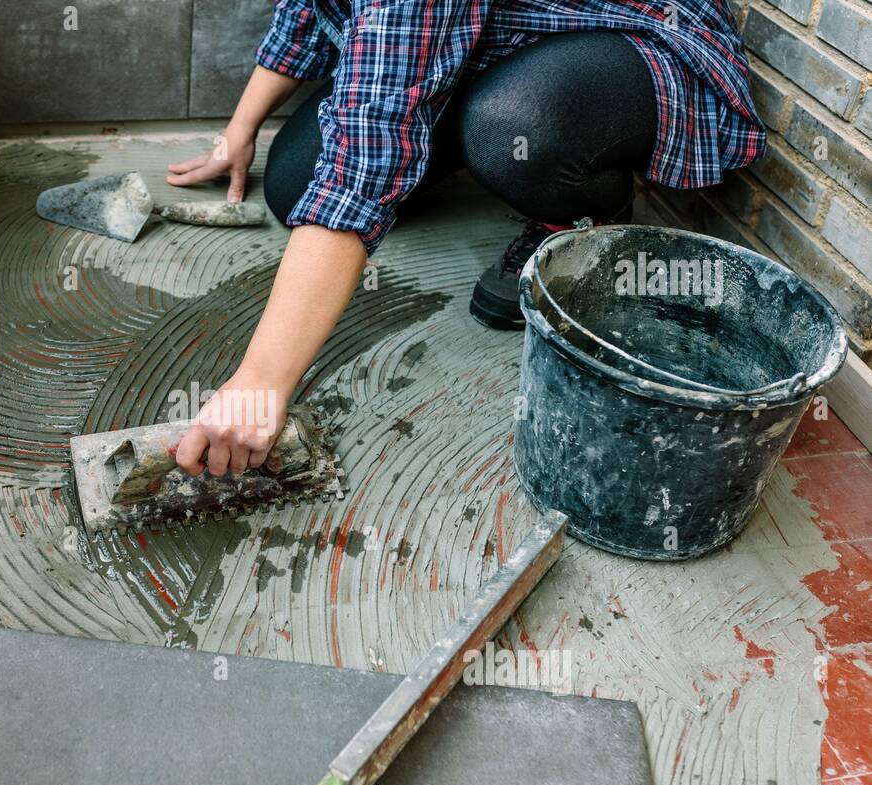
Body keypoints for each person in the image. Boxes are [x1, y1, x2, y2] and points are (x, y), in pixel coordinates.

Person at [167, 0, 764, 478]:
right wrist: (239, 131)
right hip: (485, 40)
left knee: (508, 131)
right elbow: (304, 14)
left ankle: (583, 210)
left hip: (619, 39)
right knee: (294, 183)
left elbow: (359, 176)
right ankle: (459, 115)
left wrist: (260, 384)